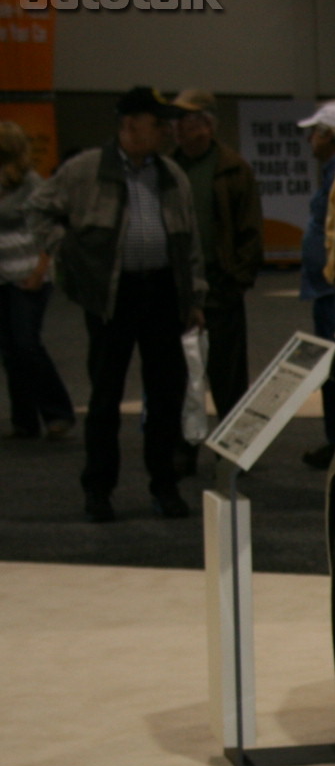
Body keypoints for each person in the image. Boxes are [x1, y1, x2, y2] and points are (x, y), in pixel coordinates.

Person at [29, 86, 204, 522]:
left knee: (166, 395)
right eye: (157, 123)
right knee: (105, 397)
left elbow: (190, 241)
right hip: (112, 297)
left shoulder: (171, 174)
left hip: (163, 292)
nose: (166, 130)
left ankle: (164, 486)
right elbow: (38, 210)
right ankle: (99, 490)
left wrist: (194, 295)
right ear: (129, 126)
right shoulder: (86, 169)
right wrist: (64, 249)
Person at [170, 89, 261, 427]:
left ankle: (233, 446)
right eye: (175, 119)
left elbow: (250, 232)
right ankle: (183, 447)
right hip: (177, 290)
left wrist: (236, 282)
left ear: (207, 124)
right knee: (179, 373)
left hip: (221, 287)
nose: (177, 126)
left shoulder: (233, 169)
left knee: (229, 376)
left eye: (186, 118)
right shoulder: (167, 168)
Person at [0, 121, 75, 441]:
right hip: (2, 275)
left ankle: (59, 413)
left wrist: (40, 270)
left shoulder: (31, 183)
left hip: (29, 273)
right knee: (10, 349)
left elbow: (50, 226)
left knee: (27, 344)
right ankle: (24, 420)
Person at [296, 102, 335, 469]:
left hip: (334, 291)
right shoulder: (334, 170)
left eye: (315, 132)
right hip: (324, 288)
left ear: (330, 136)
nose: (309, 139)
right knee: (330, 371)